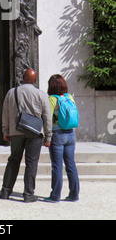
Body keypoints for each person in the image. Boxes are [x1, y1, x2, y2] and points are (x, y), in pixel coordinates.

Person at [0, 68, 52, 202]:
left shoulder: (12, 92)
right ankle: (28, 194)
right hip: (34, 133)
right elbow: (47, 116)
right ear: (35, 80)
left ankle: (5, 191)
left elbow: (5, 113)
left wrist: (6, 131)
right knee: (31, 162)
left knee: (13, 160)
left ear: (22, 78)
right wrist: (48, 135)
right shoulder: (41, 94)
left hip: (16, 131)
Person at [46, 74, 80, 202]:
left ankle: (55, 195)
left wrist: (47, 137)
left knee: (57, 166)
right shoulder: (69, 97)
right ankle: (74, 194)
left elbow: (48, 119)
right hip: (71, 134)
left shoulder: (52, 99)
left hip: (57, 135)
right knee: (71, 164)